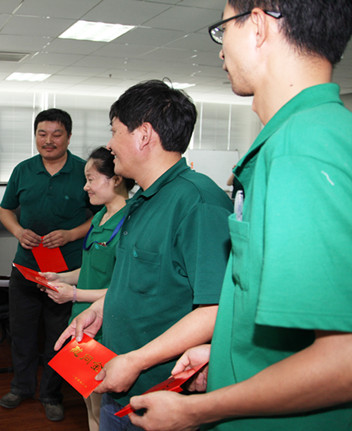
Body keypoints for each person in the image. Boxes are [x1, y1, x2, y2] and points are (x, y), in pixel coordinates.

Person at [119, 1, 352, 430]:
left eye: (223, 29)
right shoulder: (305, 137)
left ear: (258, 26)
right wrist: (225, 352)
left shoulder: (300, 150)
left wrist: (197, 410)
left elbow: (343, 361)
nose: (222, 51)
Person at [55, 80, 233, 431]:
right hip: (119, 382)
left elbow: (216, 310)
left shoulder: (198, 203)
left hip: (161, 396)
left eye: (115, 131)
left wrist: (136, 361)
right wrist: (100, 308)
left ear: (144, 135)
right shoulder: (142, 200)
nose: (109, 144)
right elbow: (140, 279)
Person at [0, 108, 98, 422]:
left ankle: (51, 394)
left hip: (67, 273)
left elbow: (101, 216)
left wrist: (72, 234)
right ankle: (21, 387)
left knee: (59, 335)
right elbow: (5, 210)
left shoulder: (84, 171)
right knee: (22, 332)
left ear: (69, 137)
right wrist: (18, 231)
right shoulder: (23, 170)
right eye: (42, 134)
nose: (48, 140)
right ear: (35, 136)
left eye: (56, 134)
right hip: (26, 268)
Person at [41, 146, 135, 431]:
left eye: (91, 179)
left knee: (102, 406)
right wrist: (61, 277)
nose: (85, 187)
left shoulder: (132, 222)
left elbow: (125, 288)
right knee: (89, 402)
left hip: (106, 327)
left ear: (115, 179)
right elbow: (92, 269)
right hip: (81, 321)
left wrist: (73, 294)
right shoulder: (99, 217)